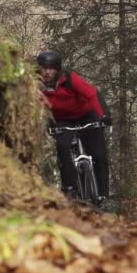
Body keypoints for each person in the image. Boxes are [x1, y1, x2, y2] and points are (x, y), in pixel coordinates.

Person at [36, 50, 112, 201]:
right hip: (62, 120)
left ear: (57, 69)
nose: (47, 72)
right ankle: (70, 187)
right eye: (44, 68)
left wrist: (103, 115)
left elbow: (91, 93)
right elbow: (35, 106)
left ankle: (103, 194)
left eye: (51, 68)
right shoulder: (38, 86)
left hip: (86, 116)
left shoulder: (70, 79)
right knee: (62, 146)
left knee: (98, 154)